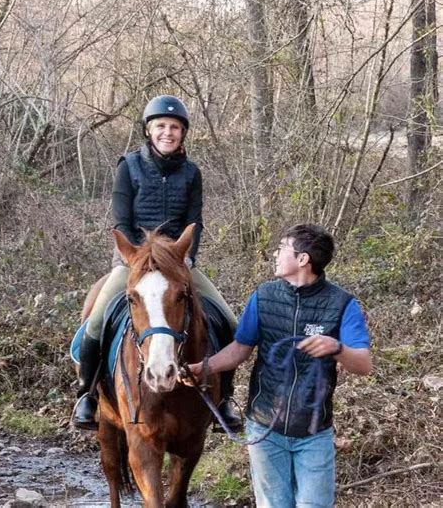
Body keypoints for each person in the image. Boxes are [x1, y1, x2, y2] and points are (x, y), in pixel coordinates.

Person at [72, 95, 241, 431]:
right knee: (95, 322)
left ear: (183, 133)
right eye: (161, 126)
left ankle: (225, 399)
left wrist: (186, 257)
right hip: (133, 262)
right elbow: (121, 222)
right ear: (149, 130)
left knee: (230, 322)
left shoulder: (192, 173)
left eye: (175, 127)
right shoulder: (129, 167)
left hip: (177, 263)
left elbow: (196, 222)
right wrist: (137, 257)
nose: (168, 132)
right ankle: (87, 394)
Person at [186, 223, 371, 507]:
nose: (274, 253)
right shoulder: (263, 296)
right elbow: (239, 349)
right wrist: (204, 367)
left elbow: (363, 364)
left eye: (281, 248)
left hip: (314, 433)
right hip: (264, 428)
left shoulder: (342, 304)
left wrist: (337, 348)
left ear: (302, 259)